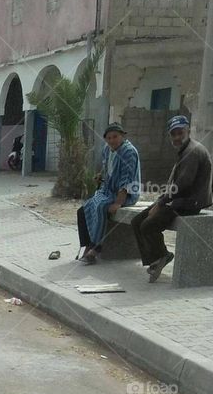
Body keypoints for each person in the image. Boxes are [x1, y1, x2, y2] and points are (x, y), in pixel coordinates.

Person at [131, 115, 212, 281]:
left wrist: (160, 203)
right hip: (178, 200)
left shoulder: (192, 152)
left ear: (188, 130)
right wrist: (161, 200)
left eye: (180, 132)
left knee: (147, 225)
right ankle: (156, 259)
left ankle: (164, 255)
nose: (176, 137)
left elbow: (183, 185)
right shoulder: (185, 150)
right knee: (136, 221)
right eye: (173, 134)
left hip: (189, 203)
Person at [77, 122, 141, 263]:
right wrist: (101, 176)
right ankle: (87, 245)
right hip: (108, 190)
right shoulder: (107, 149)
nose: (112, 140)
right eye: (109, 138)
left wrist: (118, 202)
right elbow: (107, 168)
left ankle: (96, 247)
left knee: (101, 207)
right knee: (83, 210)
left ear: (123, 136)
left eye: (115, 137)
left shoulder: (129, 152)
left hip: (125, 195)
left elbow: (127, 179)